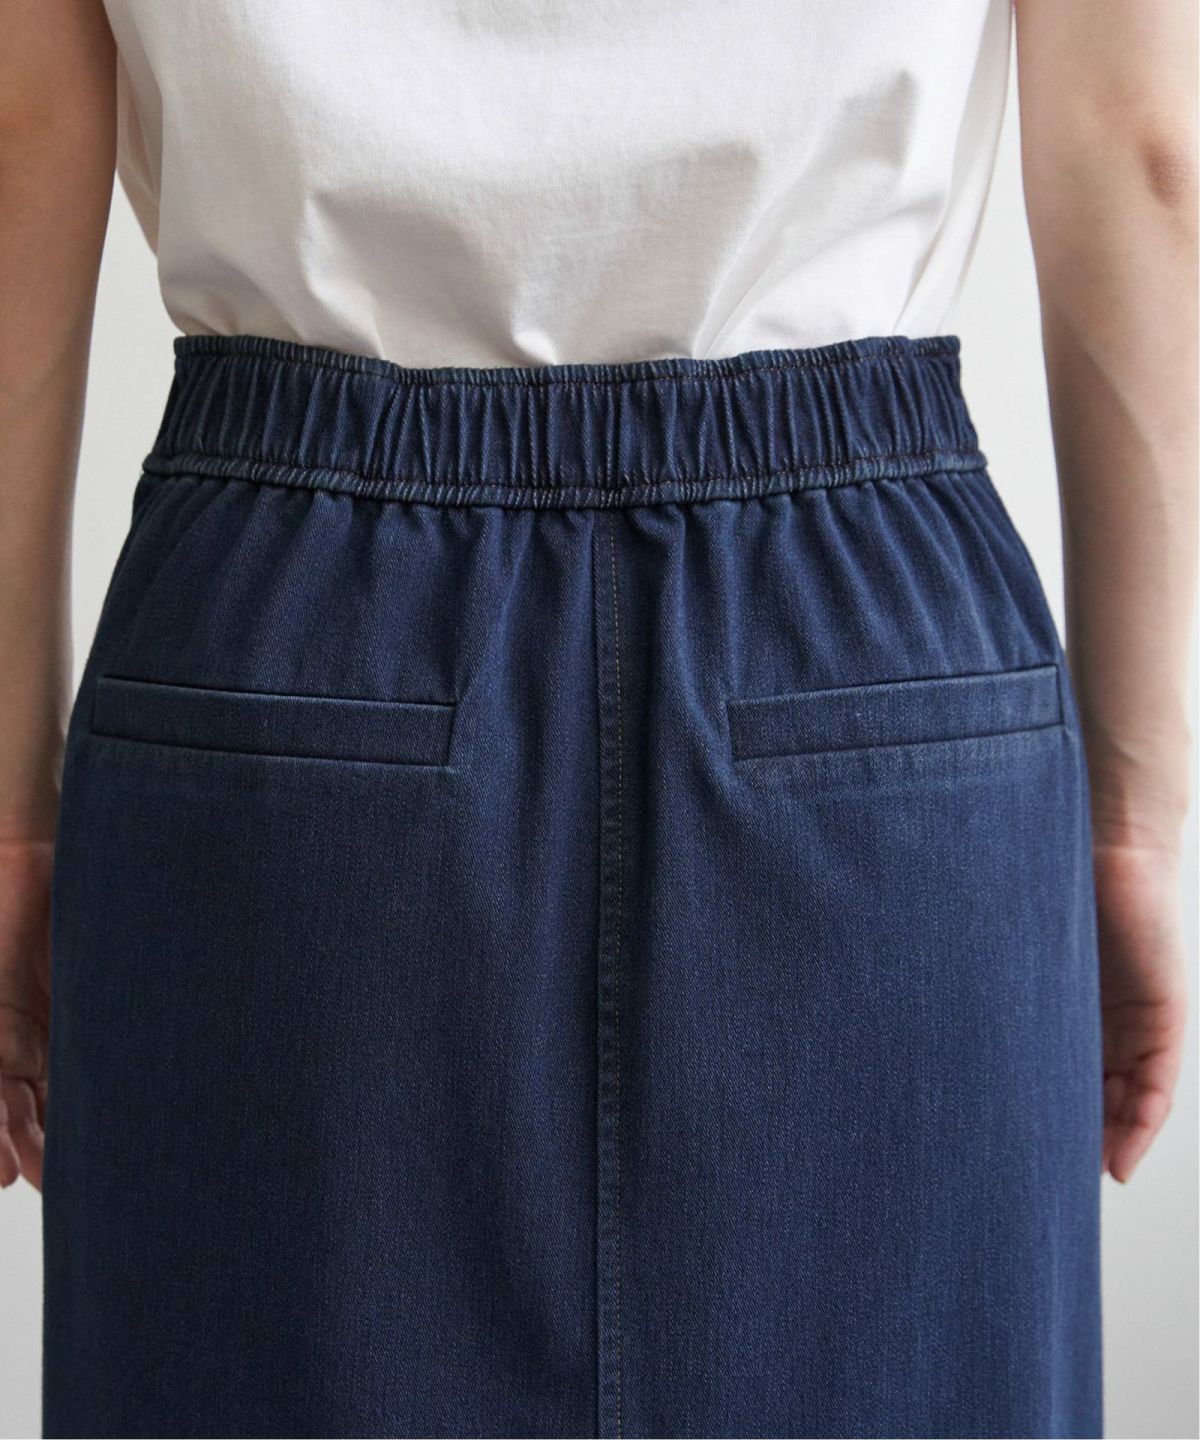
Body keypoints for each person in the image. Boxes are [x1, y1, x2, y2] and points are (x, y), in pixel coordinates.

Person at [1, 2, 1195, 1437]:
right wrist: (1134, 822)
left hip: (286, 637)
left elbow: (20, 139)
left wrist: (10, 821)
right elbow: (1144, 158)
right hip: (864, 649)